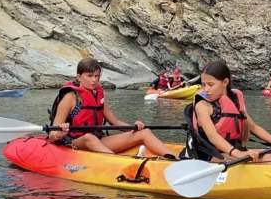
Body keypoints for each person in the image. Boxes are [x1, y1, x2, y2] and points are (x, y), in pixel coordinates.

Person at [47, 57, 179, 158]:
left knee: (145, 132)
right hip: (74, 142)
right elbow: (52, 134)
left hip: (98, 140)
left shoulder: (96, 96)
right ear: (79, 77)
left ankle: (178, 158)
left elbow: (115, 122)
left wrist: (134, 127)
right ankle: (120, 163)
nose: (94, 80)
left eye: (97, 76)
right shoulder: (70, 98)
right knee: (89, 138)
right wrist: (60, 133)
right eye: (89, 76)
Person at [186, 60, 271, 163]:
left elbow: (253, 127)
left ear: (225, 82)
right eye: (203, 85)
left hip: (234, 151)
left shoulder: (235, 99)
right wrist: (239, 154)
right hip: (209, 154)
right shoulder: (203, 105)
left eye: (210, 85)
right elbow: (213, 137)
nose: (206, 89)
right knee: (267, 158)